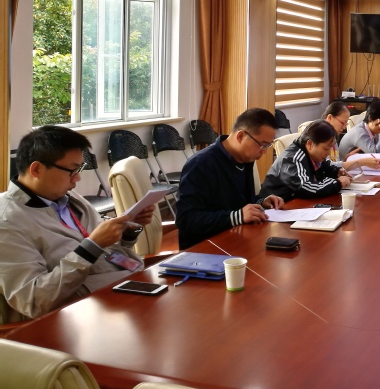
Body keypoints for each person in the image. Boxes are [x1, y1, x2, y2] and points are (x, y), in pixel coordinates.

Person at [0, 126, 155, 321]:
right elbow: (34, 301)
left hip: (119, 291)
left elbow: (105, 253)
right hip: (73, 319)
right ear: (37, 169)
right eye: (72, 170)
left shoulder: (69, 198)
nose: (78, 178)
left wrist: (126, 231)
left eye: (79, 169)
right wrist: (92, 246)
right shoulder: (7, 222)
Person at [176, 108, 285, 250]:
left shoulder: (245, 159)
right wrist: (237, 216)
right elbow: (186, 220)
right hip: (205, 249)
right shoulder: (200, 164)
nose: (264, 151)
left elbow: (237, 203)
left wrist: (260, 203)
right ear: (240, 136)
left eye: (268, 145)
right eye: (262, 144)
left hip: (237, 238)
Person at [262, 120, 352, 202]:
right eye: (326, 148)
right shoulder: (292, 159)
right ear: (310, 144)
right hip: (278, 207)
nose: (328, 153)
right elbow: (305, 187)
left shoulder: (314, 155)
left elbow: (325, 167)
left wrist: (337, 171)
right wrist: (337, 183)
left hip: (298, 204)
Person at [321, 101, 380, 170]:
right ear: (329, 118)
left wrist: (345, 159)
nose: (344, 127)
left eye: (346, 124)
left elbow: (335, 164)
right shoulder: (319, 135)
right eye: (342, 123)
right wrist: (362, 162)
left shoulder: (333, 137)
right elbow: (327, 167)